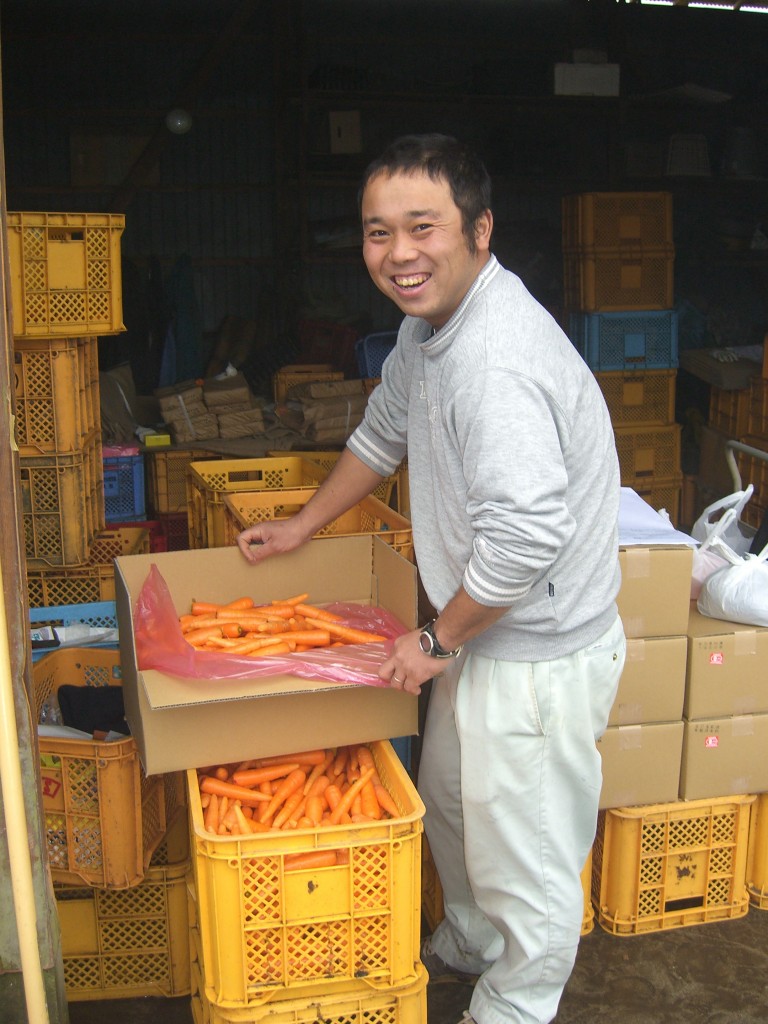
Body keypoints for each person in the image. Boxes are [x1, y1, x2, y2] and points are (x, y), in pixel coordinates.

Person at [237, 133, 626, 1024]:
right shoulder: (430, 326)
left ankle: (519, 1001)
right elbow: (382, 434)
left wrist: (433, 639)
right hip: (479, 631)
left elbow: (526, 542)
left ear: (480, 230)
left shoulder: (497, 361)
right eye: (379, 233)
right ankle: (473, 939)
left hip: (533, 650)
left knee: (524, 846)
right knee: (453, 805)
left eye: (423, 227)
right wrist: (303, 524)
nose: (400, 254)